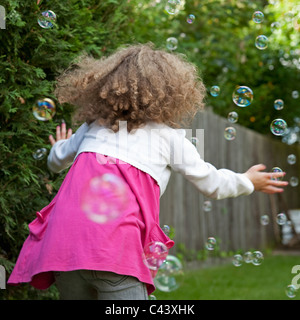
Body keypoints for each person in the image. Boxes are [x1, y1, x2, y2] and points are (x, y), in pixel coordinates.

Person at [8, 43, 288, 300]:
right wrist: (248, 181)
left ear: (108, 83)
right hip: (113, 252)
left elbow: (56, 161)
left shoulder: (93, 126)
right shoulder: (169, 138)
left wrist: (58, 148)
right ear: (171, 93)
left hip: (63, 251)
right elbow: (211, 183)